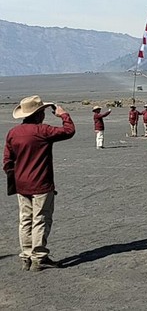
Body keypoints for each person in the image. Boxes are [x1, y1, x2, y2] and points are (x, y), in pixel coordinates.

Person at [3, 95, 75, 271]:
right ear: (39, 114)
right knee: (40, 219)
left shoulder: (13, 133)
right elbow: (69, 131)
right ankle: (39, 257)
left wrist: (16, 177)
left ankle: (26, 256)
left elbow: (7, 162)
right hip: (41, 184)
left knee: (25, 220)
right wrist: (63, 114)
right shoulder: (43, 131)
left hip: (21, 185)